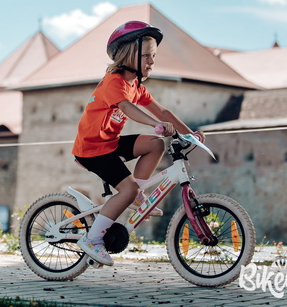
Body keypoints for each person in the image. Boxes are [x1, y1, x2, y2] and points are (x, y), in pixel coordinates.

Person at [72, 20, 205, 266]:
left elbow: (162, 111)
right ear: (127, 55)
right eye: (146, 56)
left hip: (109, 143)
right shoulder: (113, 82)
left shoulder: (135, 86)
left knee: (156, 144)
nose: (151, 61)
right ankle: (92, 239)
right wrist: (155, 124)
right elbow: (127, 108)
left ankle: (136, 196)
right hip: (92, 149)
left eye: (153, 56)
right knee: (128, 188)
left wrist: (190, 133)